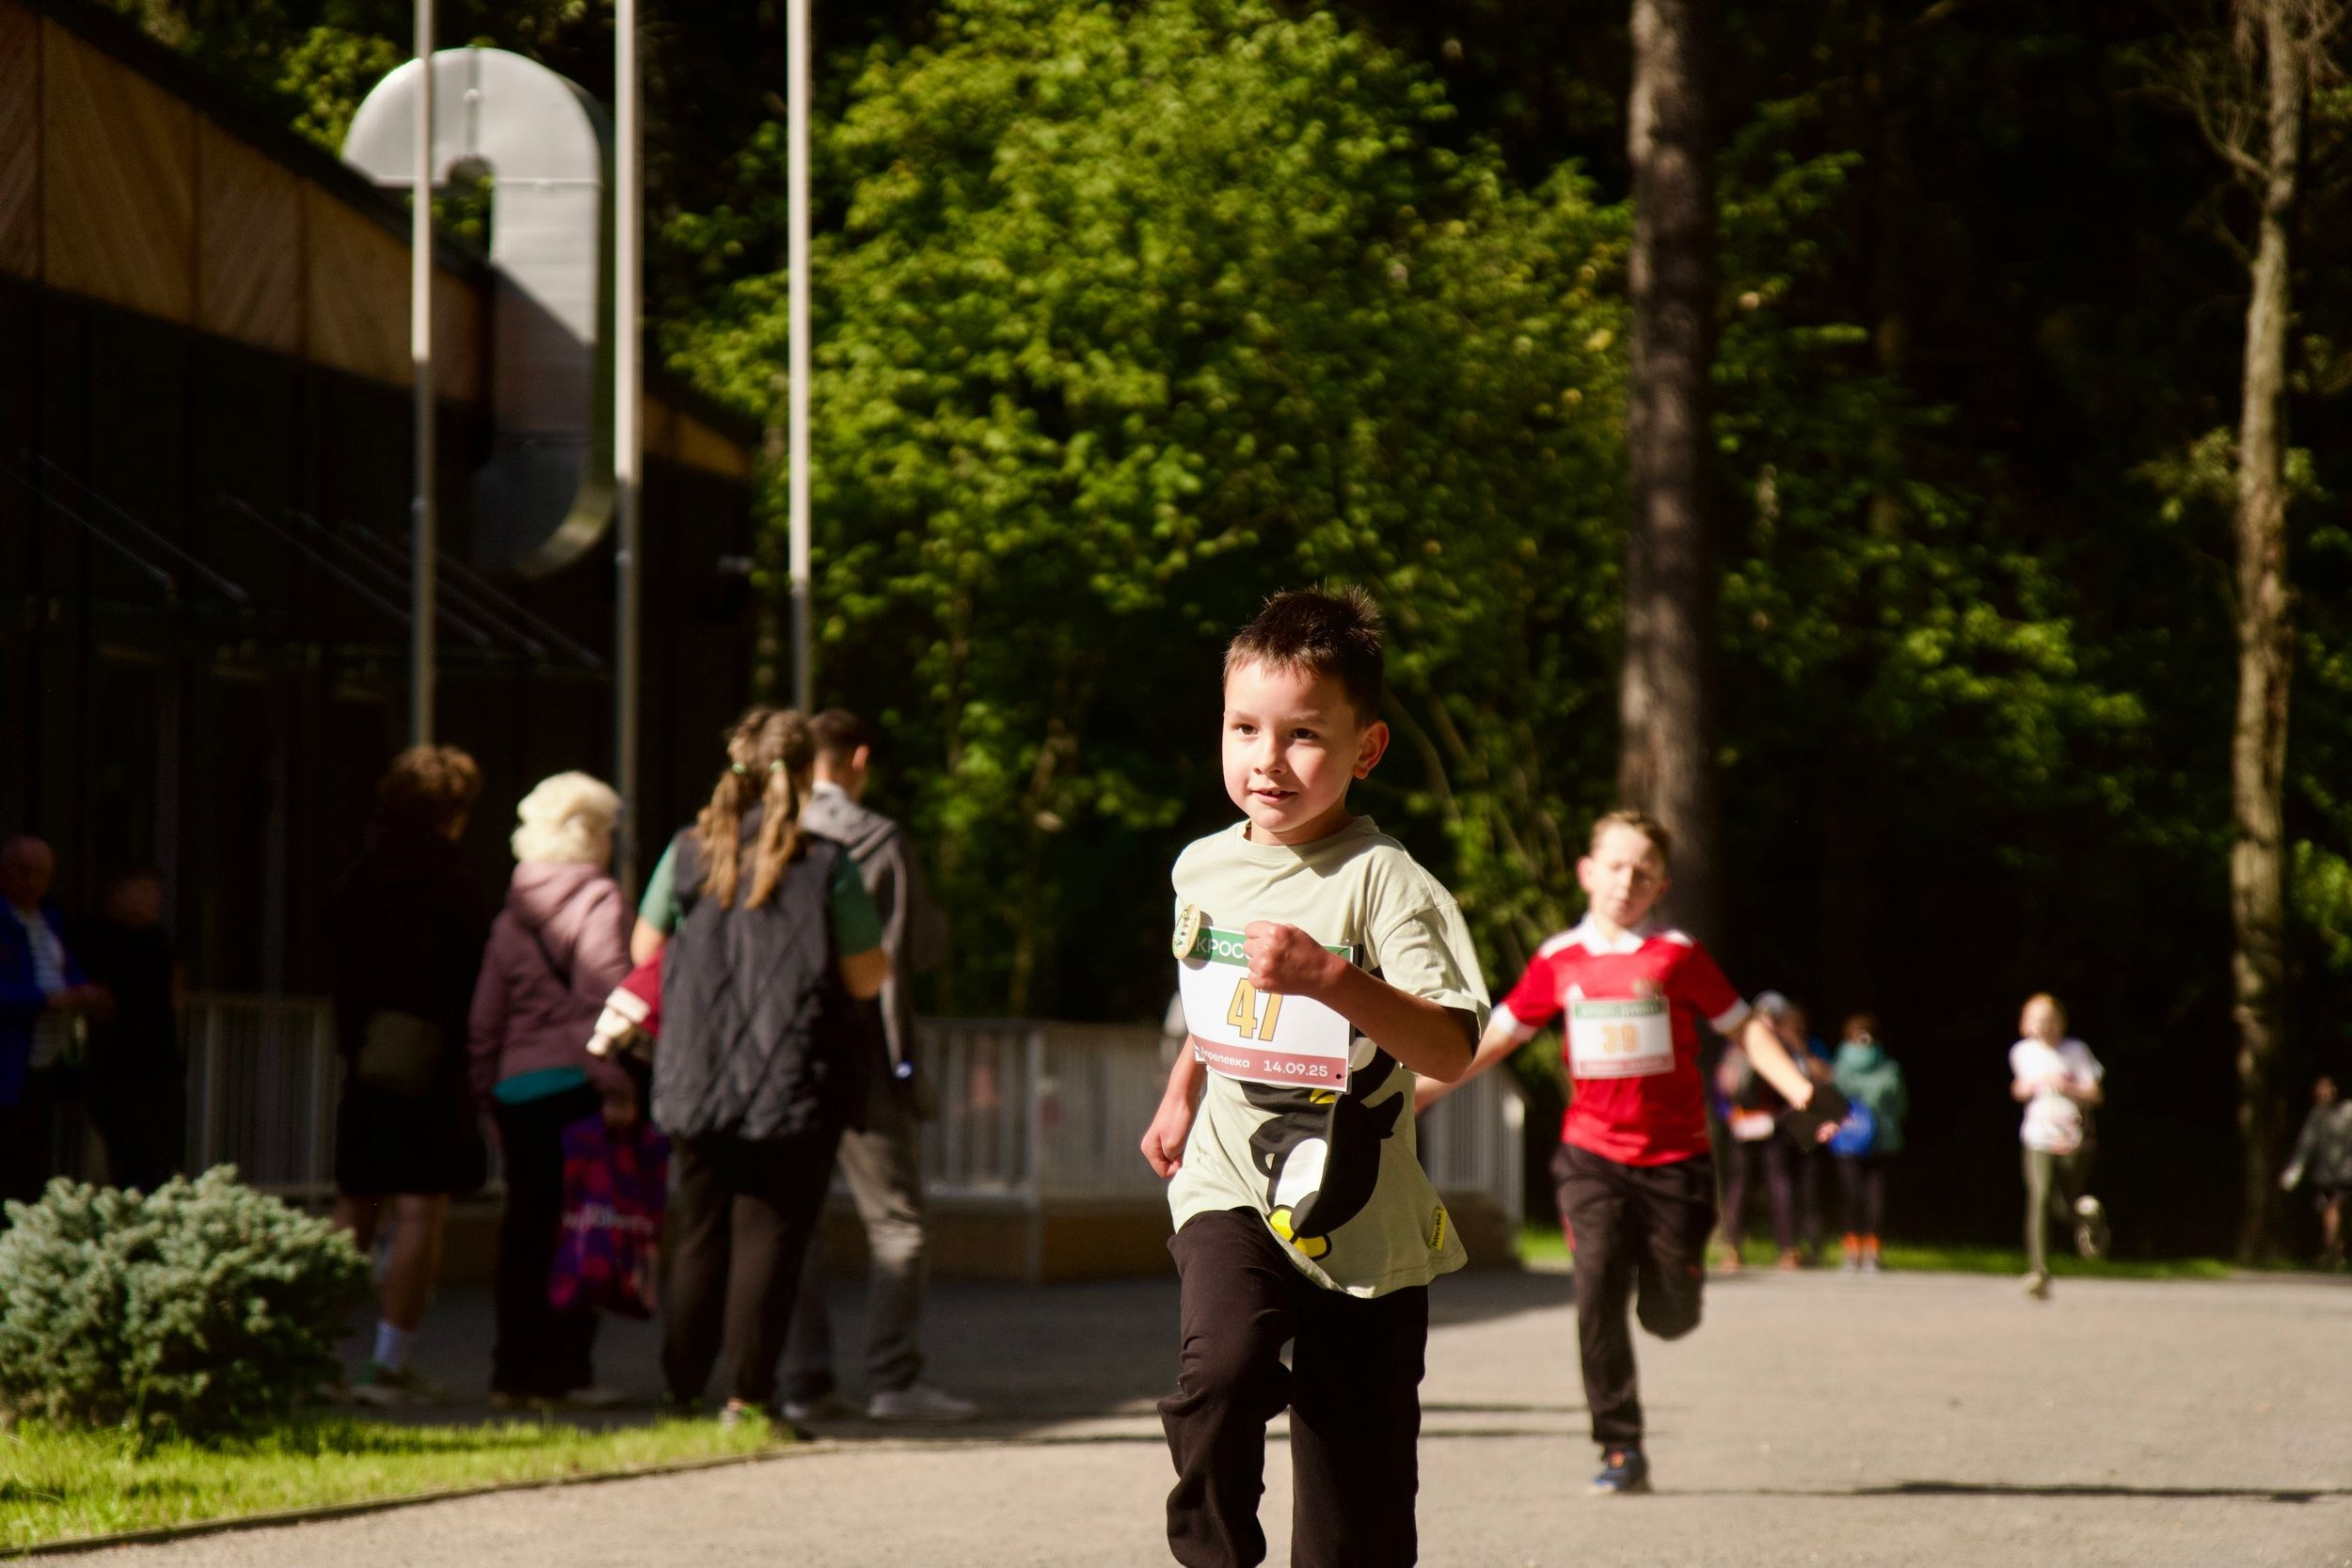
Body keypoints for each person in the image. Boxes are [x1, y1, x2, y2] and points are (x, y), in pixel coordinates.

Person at [1139, 587, 1486, 1568]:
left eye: (1302, 734)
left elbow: (1449, 1048)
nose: (1267, 758)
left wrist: (1330, 977)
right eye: (1244, 727)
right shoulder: (1200, 867)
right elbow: (1215, 1000)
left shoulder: (1386, 881)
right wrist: (1180, 1091)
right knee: (1224, 1367)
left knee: (1354, 1507)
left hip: (1358, 1206)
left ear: (1366, 748)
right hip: (1230, 1177)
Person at [1422, 809, 1823, 1497]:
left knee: (1670, 1313)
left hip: (1677, 1159)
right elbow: (1497, 1038)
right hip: (1591, 1155)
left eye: (1643, 872)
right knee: (1597, 1287)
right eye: (1615, 866)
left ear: (1661, 885)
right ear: (1587, 872)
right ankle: (1620, 1446)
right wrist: (1413, 1094)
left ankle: (1678, 1289)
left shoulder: (1677, 954)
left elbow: (1745, 1030)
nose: (1626, 882)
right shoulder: (1559, 958)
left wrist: (1804, 1092)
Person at [649, 707, 890, 1429]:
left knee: (699, 1231)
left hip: (694, 1069)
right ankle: (745, 1399)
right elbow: (867, 977)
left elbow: (642, 948)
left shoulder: (687, 852)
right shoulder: (825, 864)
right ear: (804, 770)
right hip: (791, 1078)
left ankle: (679, 1396)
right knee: (770, 1236)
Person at [775, 709, 974, 1424]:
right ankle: (893, 1377)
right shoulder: (879, 838)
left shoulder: (774, 834)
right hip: (866, 1053)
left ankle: (804, 1381)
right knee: (897, 1223)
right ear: (858, 759)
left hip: (786, 1054)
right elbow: (916, 946)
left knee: (795, 1222)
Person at [328, 745, 493, 1403]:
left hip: (368, 1054)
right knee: (421, 1207)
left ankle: (312, 1351)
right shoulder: (455, 882)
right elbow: (473, 972)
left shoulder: (360, 875)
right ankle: (390, 1363)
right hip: (434, 1060)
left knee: (356, 1202)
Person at [469, 772, 637, 1409]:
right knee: (580, 1230)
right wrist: (616, 1085)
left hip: (517, 1090)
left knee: (523, 1231)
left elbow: (485, 1018)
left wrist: (486, 1094)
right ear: (592, 836)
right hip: (578, 1087)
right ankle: (563, 1372)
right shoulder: (601, 901)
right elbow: (604, 999)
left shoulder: (511, 914)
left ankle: (509, 1373)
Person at [0, 835, 109, 1211]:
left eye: (41, 874)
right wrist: (45, 1000)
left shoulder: (50, 922)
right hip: (8, 1061)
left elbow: (68, 971)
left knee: (33, 1159)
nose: (32, 882)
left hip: (47, 1059)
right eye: (23, 871)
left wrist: (85, 993)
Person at [77, 868, 184, 1195]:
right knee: (126, 1148)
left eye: (156, 893)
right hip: (114, 1060)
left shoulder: (158, 938)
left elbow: (176, 988)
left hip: (159, 1059)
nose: (154, 901)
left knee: (159, 1150)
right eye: (144, 891)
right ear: (118, 893)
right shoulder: (93, 935)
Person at [2010, 991, 2106, 1301]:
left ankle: (2089, 1220)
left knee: (2063, 1205)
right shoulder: (2022, 1052)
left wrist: (2067, 1086)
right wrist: (2024, 1088)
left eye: (2050, 1020)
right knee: (2039, 1197)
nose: (2044, 1027)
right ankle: (2039, 1271)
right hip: (2038, 1136)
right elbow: (2019, 1088)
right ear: (2025, 1024)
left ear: (2061, 1023)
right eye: (2037, 1021)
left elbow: (2095, 1094)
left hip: (2074, 1138)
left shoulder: (2076, 1051)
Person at [1714, 990, 1800, 1271]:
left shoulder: (1736, 1045)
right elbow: (1796, 1081)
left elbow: (1721, 1086)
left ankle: (1733, 1251)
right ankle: (1787, 1250)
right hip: (1770, 1122)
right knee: (1779, 1184)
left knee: (1739, 1187)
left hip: (1741, 1122)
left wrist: (1728, 1115)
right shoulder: (1782, 1045)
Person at [1829, 1013, 1906, 1273]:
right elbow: (1899, 1103)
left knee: (1864, 1197)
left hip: (1859, 1139)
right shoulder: (1887, 1068)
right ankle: (1863, 1252)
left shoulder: (1841, 1067)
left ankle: (1861, 1252)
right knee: (1863, 1197)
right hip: (1869, 1139)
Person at [2280, 1072, 2352, 1269]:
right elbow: (2305, 1146)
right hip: (2325, 1175)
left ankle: (2333, 1250)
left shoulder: (2348, 1112)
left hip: (2345, 1174)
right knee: (2328, 1212)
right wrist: (2294, 1170)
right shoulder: (2316, 1116)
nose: (2323, 1092)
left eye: (2326, 1088)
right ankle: (2334, 1251)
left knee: (2335, 1210)